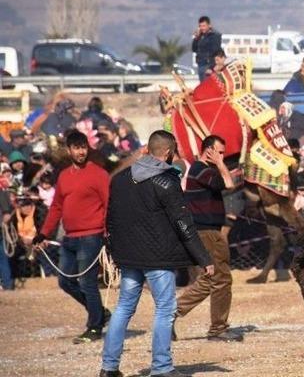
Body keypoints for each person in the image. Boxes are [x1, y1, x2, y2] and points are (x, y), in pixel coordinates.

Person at [100, 131, 213, 377]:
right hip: (158, 257)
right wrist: (203, 258)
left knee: (123, 308)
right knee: (165, 308)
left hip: (129, 256)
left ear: (148, 150)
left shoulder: (120, 180)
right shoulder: (168, 181)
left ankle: (109, 367)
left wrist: (114, 251)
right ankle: (162, 368)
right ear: (169, 152)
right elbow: (183, 223)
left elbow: (111, 219)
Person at [32, 130, 111, 343]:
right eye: (76, 148)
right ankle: (100, 313)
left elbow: (109, 205)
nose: (81, 152)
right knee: (65, 281)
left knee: (87, 282)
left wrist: (106, 232)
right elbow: (56, 207)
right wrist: (43, 233)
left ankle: (94, 326)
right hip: (69, 238)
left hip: (91, 236)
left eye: (83, 147)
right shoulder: (64, 176)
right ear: (69, 150)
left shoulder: (99, 174)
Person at [174, 135, 242, 342]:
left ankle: (170, 313)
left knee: (209, 280)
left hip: (208, 231)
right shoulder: (201, 169)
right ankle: (218, 329)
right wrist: (221, 164)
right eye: (218, 152)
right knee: (221, 279)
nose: (222, 156)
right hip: (207, 232)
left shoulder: (205, 171)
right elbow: (229, 184)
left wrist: (220, 164)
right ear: (208, 150)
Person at [192, 16, 222, 82]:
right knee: (203, 85)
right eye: (200, 26)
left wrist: (211, 67)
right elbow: (194, 49)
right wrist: (196, 38)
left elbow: (215, 51)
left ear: (209, 25)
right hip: (200, 65)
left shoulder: (215, 36)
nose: (202, 28)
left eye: (204, 26)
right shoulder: (200, 36)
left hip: (209, 65)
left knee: (209, 85)